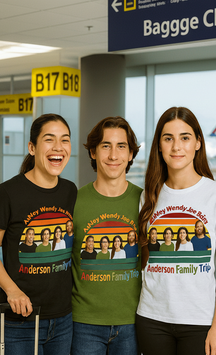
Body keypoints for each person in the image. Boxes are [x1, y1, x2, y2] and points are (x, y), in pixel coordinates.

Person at [136, 107, 216, 355]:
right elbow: (147, 259)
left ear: (198, 143)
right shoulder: (148, 196)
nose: (176, 147)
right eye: (168, 138)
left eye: (185, 137)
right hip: (151, 317)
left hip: (199, 320)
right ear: (159, 146)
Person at [0, 113, 77, 354]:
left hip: (63, 319)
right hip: (18, 322)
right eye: (49, 139)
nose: (58, 147)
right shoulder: (9, 192)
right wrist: (12, 291)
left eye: (65, 140)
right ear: (32, 148)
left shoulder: (70, 191)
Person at [71, 116, 142, 355]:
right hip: (84, 323)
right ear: (92, 152)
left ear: (131, 154)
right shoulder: (74, 201)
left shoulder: (146, 203)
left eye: (121, 146)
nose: (113, 155)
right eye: (105, 146)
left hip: (133, 321)